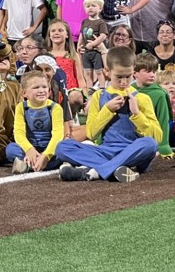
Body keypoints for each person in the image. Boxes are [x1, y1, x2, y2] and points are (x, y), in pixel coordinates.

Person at [55, 46, 161, 182]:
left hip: (133, 152)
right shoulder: (99, 96)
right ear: (107, 72)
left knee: (150, 144)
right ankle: (115, 169)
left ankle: (95, 171)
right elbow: (91, 133)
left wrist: (137, 114)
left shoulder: (142, 98)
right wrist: (107, 110)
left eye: (128, 77)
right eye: (119, 77)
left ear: (133, 72)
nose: (124, 82)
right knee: (62, 147)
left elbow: (157, 137)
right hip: (105, 151)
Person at [7, 70, 65, 173]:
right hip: (30, 148)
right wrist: (29, 150)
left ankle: (31, 164)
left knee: (63, 148)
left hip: (50, 148)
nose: (41, 90)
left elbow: (58, 135)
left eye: (44, 87)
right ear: (24, 93)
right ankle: (39, 163)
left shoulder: (55, 108)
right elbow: (19, 133)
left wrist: (46, 155)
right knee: (10, 149)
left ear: (49, 91)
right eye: (36, 87)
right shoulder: (21, 108)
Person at [79, 0, 109, 90]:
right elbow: (81, 34)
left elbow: (103, 35)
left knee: (99, 71)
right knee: (87, 72)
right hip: (86, 52)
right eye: (88, 6)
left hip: (96, 51)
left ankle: (102, 88)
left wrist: (93, 44)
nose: (90, 8)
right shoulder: (84, 22)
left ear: (100, 8)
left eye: (93, 5)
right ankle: (89, 90)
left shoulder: (100, 22)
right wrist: (79, 46)